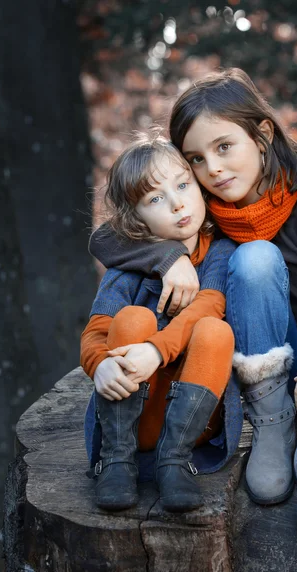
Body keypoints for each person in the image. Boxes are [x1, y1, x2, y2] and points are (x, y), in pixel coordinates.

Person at [88, 69, 297, 531]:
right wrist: (167, 258)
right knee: (256, 258)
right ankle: (273, 427)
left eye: (224, 147)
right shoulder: (204, 211)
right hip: (271, 376)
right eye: (196, 159)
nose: (213, 169)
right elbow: (107, 236)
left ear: (261, 136)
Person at [80, 134, 237, 513]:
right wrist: (99, 364)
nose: (178, 203)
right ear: (136, 219)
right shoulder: (126, 267)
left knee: (216, 329)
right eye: (156, 199)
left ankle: (174, 463)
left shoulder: (219, 251)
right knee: (134, 316)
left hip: (194, 425)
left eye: (183, 185)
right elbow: (95, 333)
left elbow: (210, 305)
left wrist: (156, 350)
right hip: (132, 416)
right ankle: (116, 460)